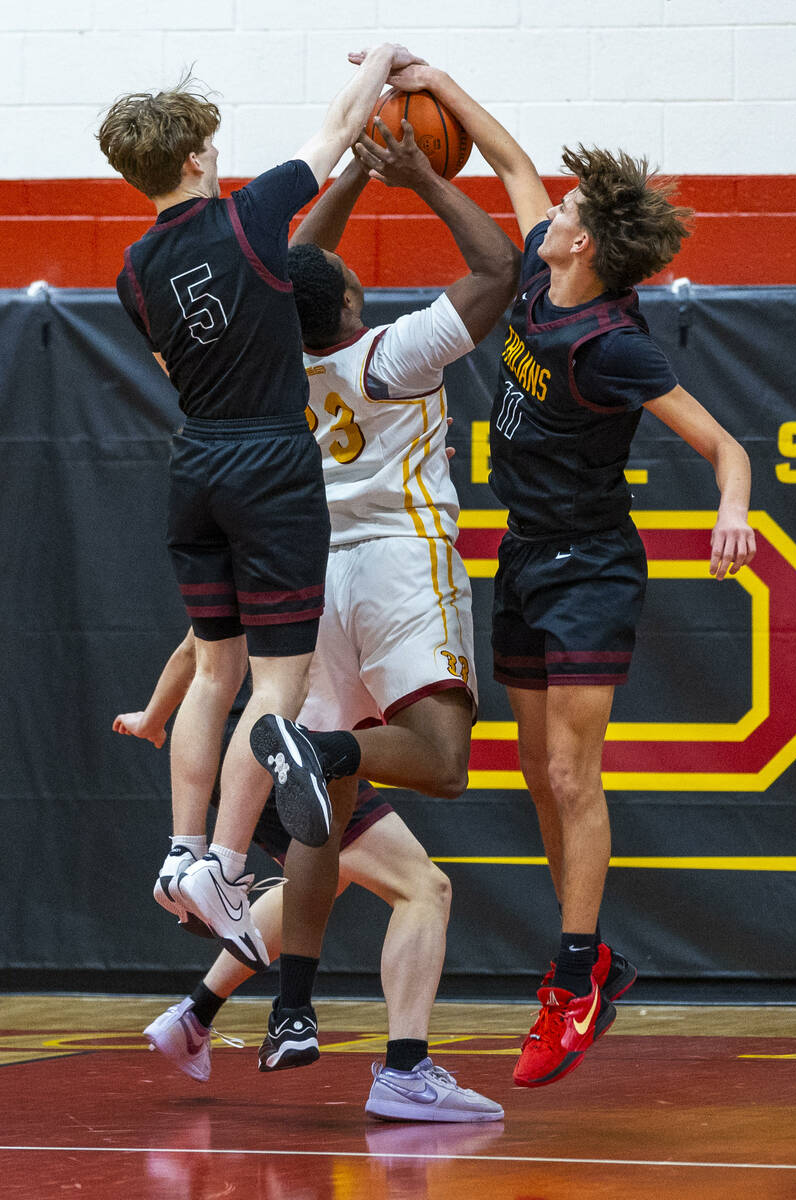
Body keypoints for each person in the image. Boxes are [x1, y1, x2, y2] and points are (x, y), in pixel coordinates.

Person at [338, 55, 757, 1089]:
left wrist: (733, 506)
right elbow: (511, 155)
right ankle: (594, 960)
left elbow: (721, 444)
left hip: (588, 564)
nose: (549, 204)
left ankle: (573, 977)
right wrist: (434, 76)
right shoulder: (537, 263)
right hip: (523, 551)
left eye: (564, 207)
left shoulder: (612, 344)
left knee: (570, 774)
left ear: (584, 243)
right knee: (532, 772)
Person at [117, 118, 518, 1121]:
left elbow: (297, 270)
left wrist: (160, 706)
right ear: (346, 300)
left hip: (304, 574)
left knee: (320, 823)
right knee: (431, 760)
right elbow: (496, 269)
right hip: (394, 571)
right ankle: (325, 768)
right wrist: (420, 172)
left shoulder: (257, 367)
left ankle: (258, 1008)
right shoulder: (393, 351)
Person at [96, 45, 424, 974]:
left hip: (193, 461)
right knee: (275, 692)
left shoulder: (130, 270)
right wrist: (387, 61)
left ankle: (182, 851)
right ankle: (229, 867)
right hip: (269, 459)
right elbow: (336, 126)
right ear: (198, 156)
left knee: (213, 671)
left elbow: (173, 367)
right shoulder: (249, 216)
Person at [118, 633, 502, 1122]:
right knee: (423, 887)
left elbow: (194, 646)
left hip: (233, 748)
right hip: (286, 750)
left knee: (319, 882)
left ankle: (196, 1015)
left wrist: (153, 716)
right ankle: (405, 1070)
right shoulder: (316, 563)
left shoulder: (258, 571)